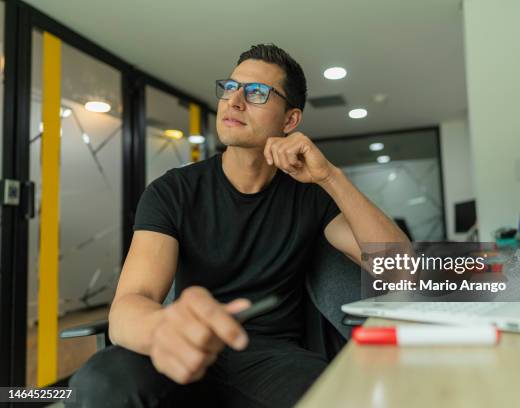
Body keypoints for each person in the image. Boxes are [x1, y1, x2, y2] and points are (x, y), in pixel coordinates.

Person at [69, 43, 410, 408]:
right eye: (230, 87)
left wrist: (330, 178)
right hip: (186, 344)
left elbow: (403, 271)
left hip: (273, 359)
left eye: (257, 93)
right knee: (101, 382)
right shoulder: (173, 191)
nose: (234, 101)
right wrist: (161, 330)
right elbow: (129, 306)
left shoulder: (309, 194)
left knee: (336, 398)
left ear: (290, 120)